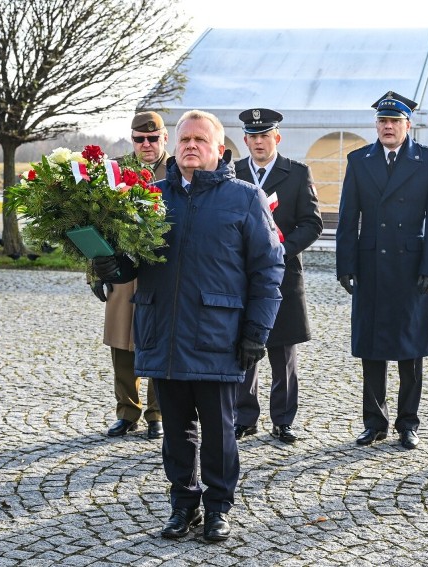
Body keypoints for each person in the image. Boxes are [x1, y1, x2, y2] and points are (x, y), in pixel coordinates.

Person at [92, 110, 284, 542]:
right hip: (163, 330)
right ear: (173, 146)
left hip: (218, 335)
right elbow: (130, 264)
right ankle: (183, 503)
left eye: (200, 139)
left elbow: (269, 268)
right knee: (176, 433)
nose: (191, 146)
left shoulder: (244, 198)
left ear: (219, 148)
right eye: (184, 140)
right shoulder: (149, 197)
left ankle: (218, 507)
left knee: (219, 433)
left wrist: (257, 330)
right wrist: (108, 263)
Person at [335, 91, 428, 450]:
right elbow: (348, 217)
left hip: (411, 267)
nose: (388, 127)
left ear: (407, 125)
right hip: (371, 265)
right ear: (376, 125)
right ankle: (374, 422)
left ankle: (407, 422)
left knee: (410, 347)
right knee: (371, 346)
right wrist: (345, 264)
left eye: (394, 122)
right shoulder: (359, 160)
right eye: (383, 122)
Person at [232, 108, 323, 444]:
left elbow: (313, 223)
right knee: (245, 348)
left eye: (264, 136)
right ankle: (245, 416)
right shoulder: (234, 171)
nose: (258, 142)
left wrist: (281, 250)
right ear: (245, 140)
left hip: (283, 276)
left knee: (283, 353)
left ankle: (283, 420)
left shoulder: (297, 173)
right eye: (253, 136)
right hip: (242, 277)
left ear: (277, 138)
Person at [90, 111, 169, 439]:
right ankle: (127, 412)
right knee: (122, 344)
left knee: (161, 343)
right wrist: (94, 271)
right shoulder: (114, 170)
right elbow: (91, 223)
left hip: (164, 271)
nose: (147, 145)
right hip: (122, 272)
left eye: (153, 138)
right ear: (132, 139)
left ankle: (158, 414)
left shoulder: (179, 170)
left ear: (165, 138)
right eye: (140, 139)